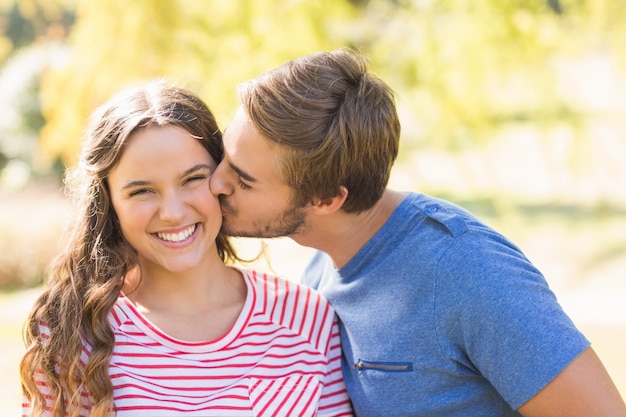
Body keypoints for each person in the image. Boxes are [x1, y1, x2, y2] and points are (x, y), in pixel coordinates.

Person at [209, 49, 626, 416]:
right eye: (225, 157)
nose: (216, 183)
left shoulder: (466, 272)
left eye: (244, 181)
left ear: (325, 199)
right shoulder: (323, 262)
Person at [20, 80, 353, 417]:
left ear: (223, 178)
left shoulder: (307, 317)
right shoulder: (73, 332)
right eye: (142, 191)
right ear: (109, 205)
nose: (173, 212)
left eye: (192, 179)